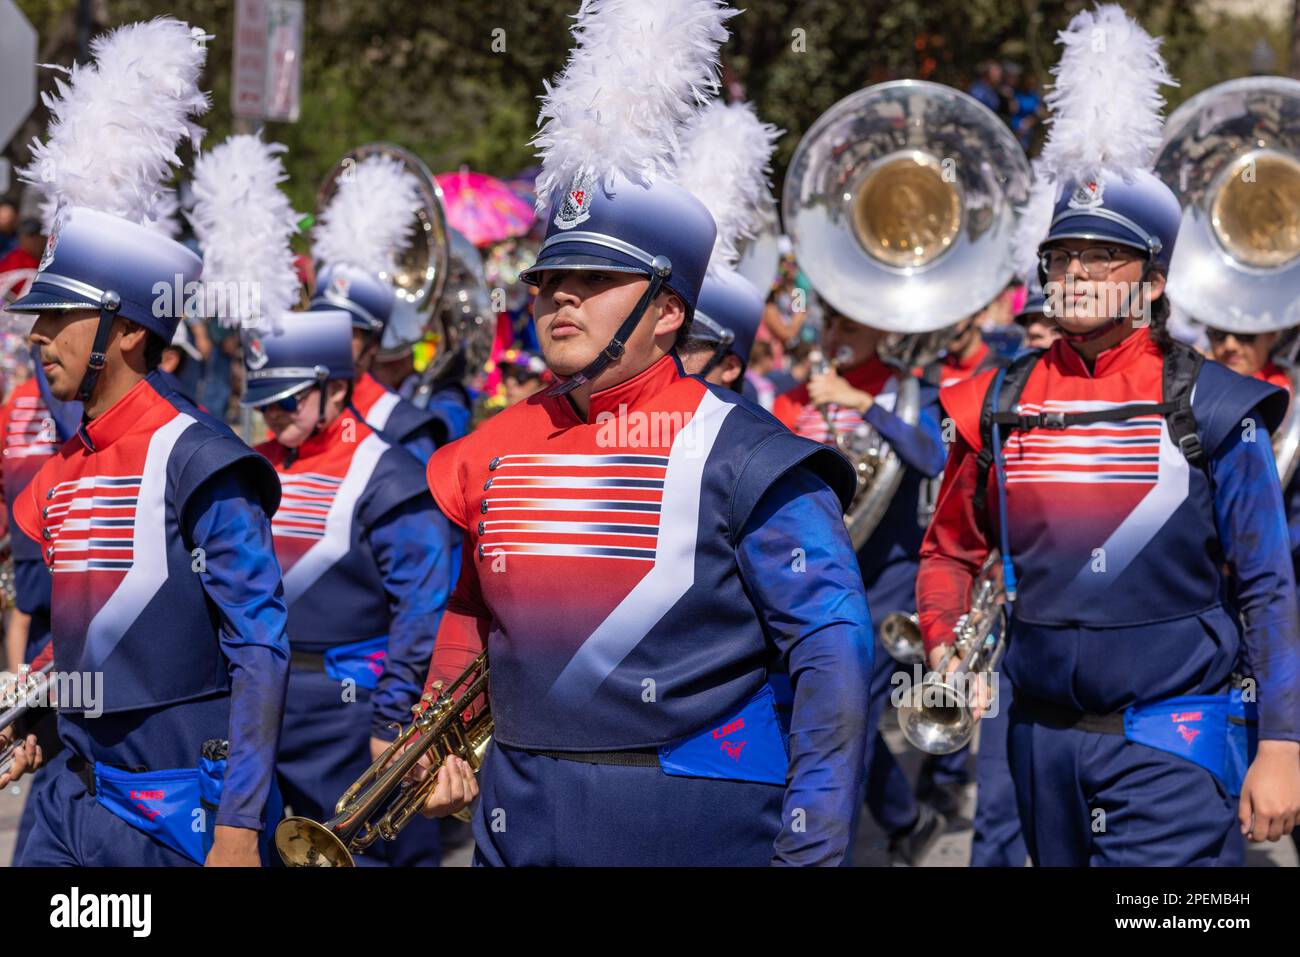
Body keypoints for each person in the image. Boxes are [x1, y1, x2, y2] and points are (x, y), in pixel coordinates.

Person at [416, 0, 872, 867]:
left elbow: (834, 652)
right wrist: (438, 728)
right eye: (551, 276)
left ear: (669, 312)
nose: (560, 297)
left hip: (690, 829)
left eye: (594, 278)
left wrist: (812, 848)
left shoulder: (749, 454)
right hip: (515, 822)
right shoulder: (499, 441)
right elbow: (473, 609)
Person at [917, 5, 1300, 866]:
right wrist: (946, 642)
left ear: (1155, 282)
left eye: (1104, 255)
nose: (1078, 272)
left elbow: (1269, 585)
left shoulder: (1214, 404)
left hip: (1174, 743)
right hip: (1036, 745)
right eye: (1062, 255)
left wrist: (1283, 741)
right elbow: (947, 551)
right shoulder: (995, 400)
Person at [0, 18, 290, 867]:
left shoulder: (201, 458)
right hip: (67, 797)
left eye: (59, 317)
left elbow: (259, 651)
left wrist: (240, 821)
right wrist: (41, 717)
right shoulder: (65, 462)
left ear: (127, 332)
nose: (38, 335)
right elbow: (94, 633)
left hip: (174, 813)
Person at [244, 310, 453, 867]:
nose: (271, 413)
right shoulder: (256, 465)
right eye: (264, 401)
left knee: (376, 859)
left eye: (286, 400)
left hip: (350, 711)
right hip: (260, 703)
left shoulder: (389, 472)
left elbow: (423, 607)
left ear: (335, 388)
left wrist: (392, 716)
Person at [772, 306, 950, 864]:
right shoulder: (793, 399)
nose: (837, 336)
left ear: (882, 328)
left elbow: (932, 457)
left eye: (851, 325)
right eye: (832, 325)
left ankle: (834, 850)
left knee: (851, 711)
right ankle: (905, 818)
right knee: (824, 713)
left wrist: (862, 404)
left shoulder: (908, 392)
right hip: (811, 581)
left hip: (885, 582)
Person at [310, 154, 447, 464]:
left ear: (372, 346)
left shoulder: (405, 425)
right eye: (325, 325)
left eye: (349, 332)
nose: (331, 339)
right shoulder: (300, 407)